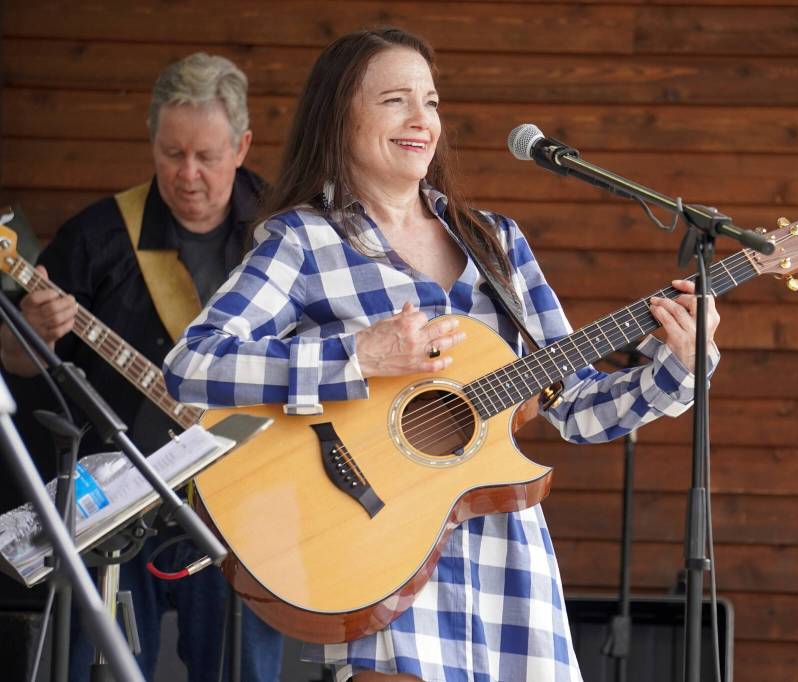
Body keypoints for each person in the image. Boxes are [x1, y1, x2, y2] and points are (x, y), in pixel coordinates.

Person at [162, 27, 720, 682]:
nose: (420, 120)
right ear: (341, 115)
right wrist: (359, 355)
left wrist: (680, 364)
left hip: (509, 566)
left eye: (429, 102)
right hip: (383, 563)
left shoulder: (496, 242)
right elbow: (195, 364)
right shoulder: (304, 241)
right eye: (395, 100)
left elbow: (576, 408)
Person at [0, 53, 283, 681]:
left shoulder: (282, 230)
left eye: (206, 156)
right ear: (151, 142)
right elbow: (16, 362)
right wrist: (31, 334)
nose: (186, 175)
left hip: (246, 499)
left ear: (242, 146)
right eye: (170, 153)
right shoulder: (100, 235)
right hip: (119, 511)